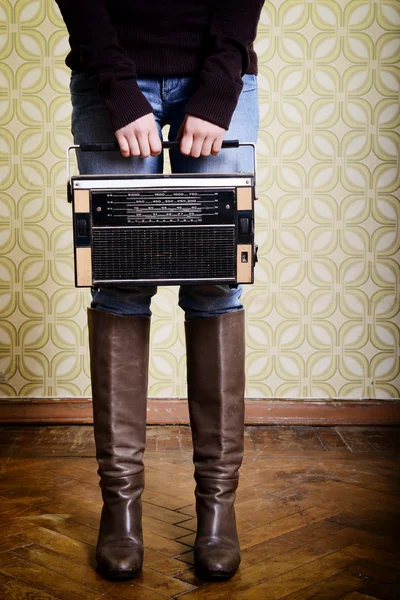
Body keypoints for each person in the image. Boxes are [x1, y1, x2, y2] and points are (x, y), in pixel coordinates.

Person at [56, 0, 264, 583]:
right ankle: (120, 509)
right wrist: (120, 92)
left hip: (221, 74)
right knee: (119, 285)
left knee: (216, 284)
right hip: (110, 72)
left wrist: (220, 88)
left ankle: (218, 510)